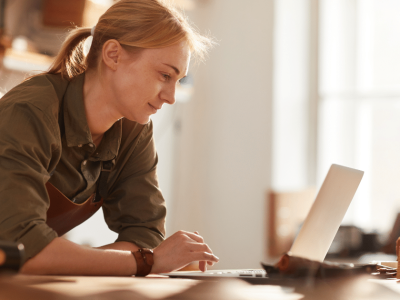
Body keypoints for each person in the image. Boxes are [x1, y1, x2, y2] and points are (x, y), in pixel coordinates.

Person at [0, 0, 219, 276]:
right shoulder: (30, 112)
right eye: (165, 75)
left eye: (178, 80)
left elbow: (144, 236)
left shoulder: (133, 130)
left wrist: (65, 259)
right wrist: (145, 262)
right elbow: (22, 245)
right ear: (113, 55)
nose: (171, 97)